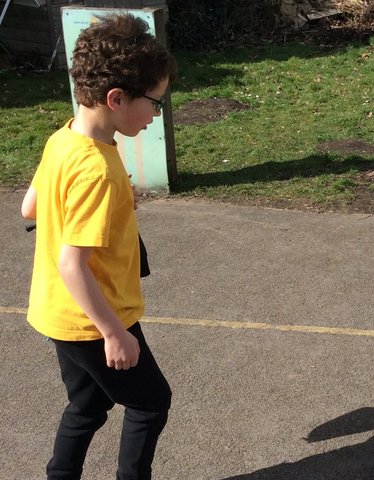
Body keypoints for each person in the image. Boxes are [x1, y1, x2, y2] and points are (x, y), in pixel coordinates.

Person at [21, 13, 177, 480]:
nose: (155, 115)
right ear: (117, 99)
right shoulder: (99, 171)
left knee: (87, 406)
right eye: (155, 104)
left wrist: (105, 204)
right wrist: (114, 333)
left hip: (56, 314)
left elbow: (30, 207)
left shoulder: (65, 138)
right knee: (150, 403)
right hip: (93, 321)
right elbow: (73, 264)